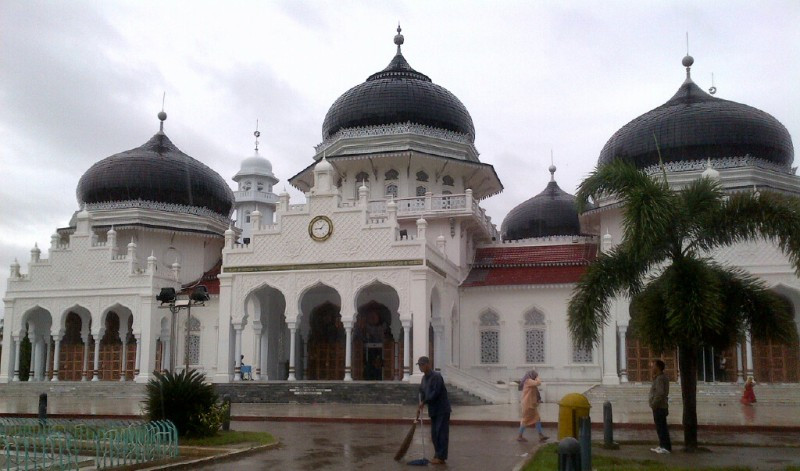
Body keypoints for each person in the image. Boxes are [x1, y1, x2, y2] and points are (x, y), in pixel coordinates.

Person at [416, 356, 451, 465]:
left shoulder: (436, 377)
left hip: (442, 409)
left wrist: (424, 401)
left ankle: (441, 457)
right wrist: (420, 403)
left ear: (428, 364)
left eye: (422, 365)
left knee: (441, 433)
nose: (420, 367)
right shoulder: (424, 379)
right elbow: (422, 392)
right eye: (419, 365)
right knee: (434, 434)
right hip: (433, 410)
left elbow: (435, 393)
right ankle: (437, 454)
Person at [516, 370, 548, 443]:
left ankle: (540, 435)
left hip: (531, 404)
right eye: (535, 375)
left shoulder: (530, 382)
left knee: (537, 418)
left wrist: (538, 399)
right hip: (527, 404)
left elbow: (536, 391)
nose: (535, 377)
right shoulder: (528, 381)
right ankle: (519, 436)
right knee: (525, 420)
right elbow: (538, 383)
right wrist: (537, 377)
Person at [648, 359, 671, 454]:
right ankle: (662, 445)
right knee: (660, 427)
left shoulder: (660, 378)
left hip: (659, 407)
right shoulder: (659, 378)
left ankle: (665, 447)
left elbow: (660, 393)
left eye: (653, 366)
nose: (652, 367)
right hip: (660, 406)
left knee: (662, 428)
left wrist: (654, 404)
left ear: (658, 367)